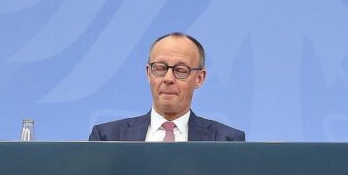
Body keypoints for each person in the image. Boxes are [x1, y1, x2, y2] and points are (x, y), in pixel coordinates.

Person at [88, 32, 245, 141]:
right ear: (149, 73)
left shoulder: (226, 141)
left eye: (181, 70)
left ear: (199, 78)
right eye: (160, 68)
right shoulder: (108, 137)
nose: (168, 78)